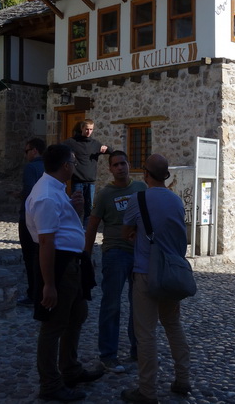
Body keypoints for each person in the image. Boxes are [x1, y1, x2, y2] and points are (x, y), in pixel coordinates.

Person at [25, 144, 103, 402]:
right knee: (53, 325)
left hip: (72, 264)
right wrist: (49, 284)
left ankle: (70, 369)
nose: (75, 165)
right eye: (72, 161)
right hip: (59, 266)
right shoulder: (47, 195)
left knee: (77, 314)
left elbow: (60, 227)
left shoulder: (56, 191)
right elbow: (46, 243)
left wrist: (74, 210)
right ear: (66, 165)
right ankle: (50, 383)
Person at [121, 154, 191, 404]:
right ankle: (183, 379)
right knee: (173, 325)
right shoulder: (176, 200)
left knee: (146, 333)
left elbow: (126, 231)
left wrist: (136, 234)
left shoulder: (137, 198)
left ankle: (147, 391)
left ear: (145, 175)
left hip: (145, 272)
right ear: (167, 176)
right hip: (171, 272)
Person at [84, 151, 146, 373]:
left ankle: (137, 349)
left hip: (139, 254)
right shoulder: (104, 194)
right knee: (111, 304)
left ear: (129, 165)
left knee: (139, 305)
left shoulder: (141, 189)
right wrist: (86, 255)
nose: (120, 167)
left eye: (123, 163)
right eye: (116, 165)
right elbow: (92, 225)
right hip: (115, 253)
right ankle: (108, 355)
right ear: (110, 169)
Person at [62, 119, 108, 226]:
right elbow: (59, 149)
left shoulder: (95, 144)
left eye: (91, 129)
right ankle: (74, 229)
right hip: (77, 181)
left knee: (89, 208)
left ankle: (87, 233)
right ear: (82, 128)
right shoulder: (72, 142)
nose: (89, 132)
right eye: (87, 129)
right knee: (76, 206)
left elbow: (110, 150)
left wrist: (105, 148)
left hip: (90, 182)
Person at [17, 138, 46, 307]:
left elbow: (29, 192)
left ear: (34, 150)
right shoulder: (49, 167)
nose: (26, 154)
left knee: (29, 257)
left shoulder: (30, 168)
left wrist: (20, 196)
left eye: (26, 151)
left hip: (28, 218)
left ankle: (33, 294)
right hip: (45, 218)